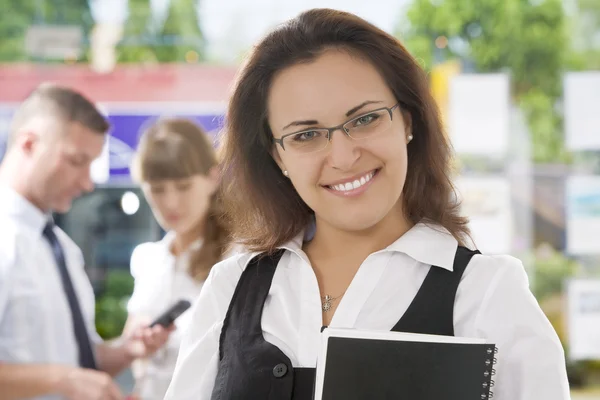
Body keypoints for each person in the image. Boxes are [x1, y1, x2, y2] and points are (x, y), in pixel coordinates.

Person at [164, 8, 570, 400]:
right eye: (306, 135)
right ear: (277, 157)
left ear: (408, 121)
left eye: (365, 119)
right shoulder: (229, 289)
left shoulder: (487, 293)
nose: (342, 157)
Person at [0, 83, 174, 400]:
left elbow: (80, 360)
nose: (87, 182)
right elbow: (68, 375)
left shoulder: (63, 249)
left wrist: (127, 350)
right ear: (28, 144)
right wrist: (62, 379)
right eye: (77, 161)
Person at [124, 118, 233, 400]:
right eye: (157, 189)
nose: (171, 203)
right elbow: (137, 358)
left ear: (213, 177)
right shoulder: (149, 260)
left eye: (183, 186)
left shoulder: (237, 257)